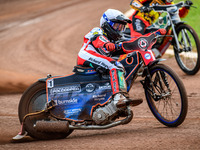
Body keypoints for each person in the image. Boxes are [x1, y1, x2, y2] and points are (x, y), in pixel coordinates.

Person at [77, 9, 165, 108]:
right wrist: (107, 44)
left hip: (99, 58)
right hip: (86, 55)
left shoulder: (115, 39)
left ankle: (112, 97)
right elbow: (98, 39)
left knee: (120, 66)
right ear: (107, 24)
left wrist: (154, 34)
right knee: (115, 65)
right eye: (117, 26)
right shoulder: (97, 30)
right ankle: (119, 97)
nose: (119, 29)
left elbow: (133, 42)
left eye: (122, 27)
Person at [129, 0, 193, 57]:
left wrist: (186, 8)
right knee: (137, 40)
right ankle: (128, 59)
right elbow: (133, 2)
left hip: (149, 25)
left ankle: (155, 56)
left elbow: (179, 14)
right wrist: (142, 7)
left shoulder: (168, 3)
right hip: (138, 19)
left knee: (167, 33)